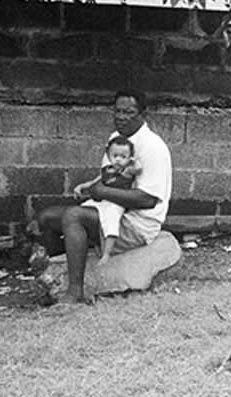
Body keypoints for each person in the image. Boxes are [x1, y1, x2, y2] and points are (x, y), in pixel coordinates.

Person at [31, 89, 172, 303]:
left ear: (144, 114)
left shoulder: (153, 148)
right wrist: (91, 188)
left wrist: (102, 192)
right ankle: (58, 273)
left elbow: (148, 200)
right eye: (118, 111)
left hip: (135, 226)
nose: (121, 117)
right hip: (108, 211)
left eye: (129, 112)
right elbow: (107, 178)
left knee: (73, 216)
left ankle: (75, 292)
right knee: (46, 218)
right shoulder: (116, 139)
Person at [80, 135, 142, 265]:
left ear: (129, 158)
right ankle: (93, 241)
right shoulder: (106, 170)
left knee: (111, 223)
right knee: (82, 209)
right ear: (108, 155)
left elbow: (138, 169)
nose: (118, 160)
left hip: (116, 203)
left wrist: (134, 161)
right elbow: (95, 181)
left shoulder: (126, 171)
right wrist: (82, 186)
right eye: (115, 156)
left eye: (123, 157)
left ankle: (107, 253)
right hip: (102, 201)